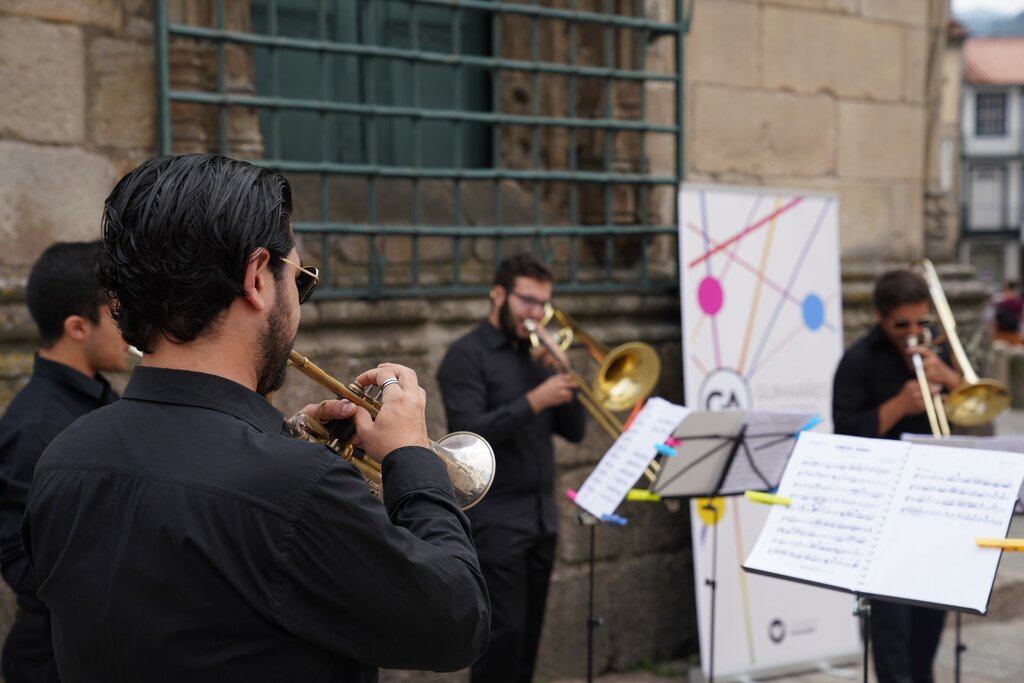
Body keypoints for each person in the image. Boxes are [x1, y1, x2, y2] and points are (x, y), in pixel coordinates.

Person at [22, 154, 489, 682]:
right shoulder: (297, 489)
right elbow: (457, 622)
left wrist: (282, 440)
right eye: (301, 279)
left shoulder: (63, 458)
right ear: (257, 277)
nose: (299, 299)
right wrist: (412, 456)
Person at [436, 253, 586, 683]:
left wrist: (566, 375)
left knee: (530, 637)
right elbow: (467, 436)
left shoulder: (538, 357)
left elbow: (575, 432)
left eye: (543, 304)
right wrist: (535, 400)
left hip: (542, 518)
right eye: (528, 301)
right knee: (501, 637)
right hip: (497, 520)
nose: (537, 314)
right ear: (498, 294)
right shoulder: (466, 356)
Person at [0, 241, 128, 683]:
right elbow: (21, 561)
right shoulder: (34, 425)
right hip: (54, 663)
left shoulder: (97, 394)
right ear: (77, 327)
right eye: (116, 312)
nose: (128, 324)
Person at [832, 268, 962, 683]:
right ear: (878, 316)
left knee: (927, 629)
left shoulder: (939, 354)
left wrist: (953, 383)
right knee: (889, 634)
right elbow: (845, 434)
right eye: (900, 325)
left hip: (933, 507)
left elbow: (978, 421)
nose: (912, 334)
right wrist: (895, 408)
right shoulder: (857, 361)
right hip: (881, 514)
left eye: (920, 323)